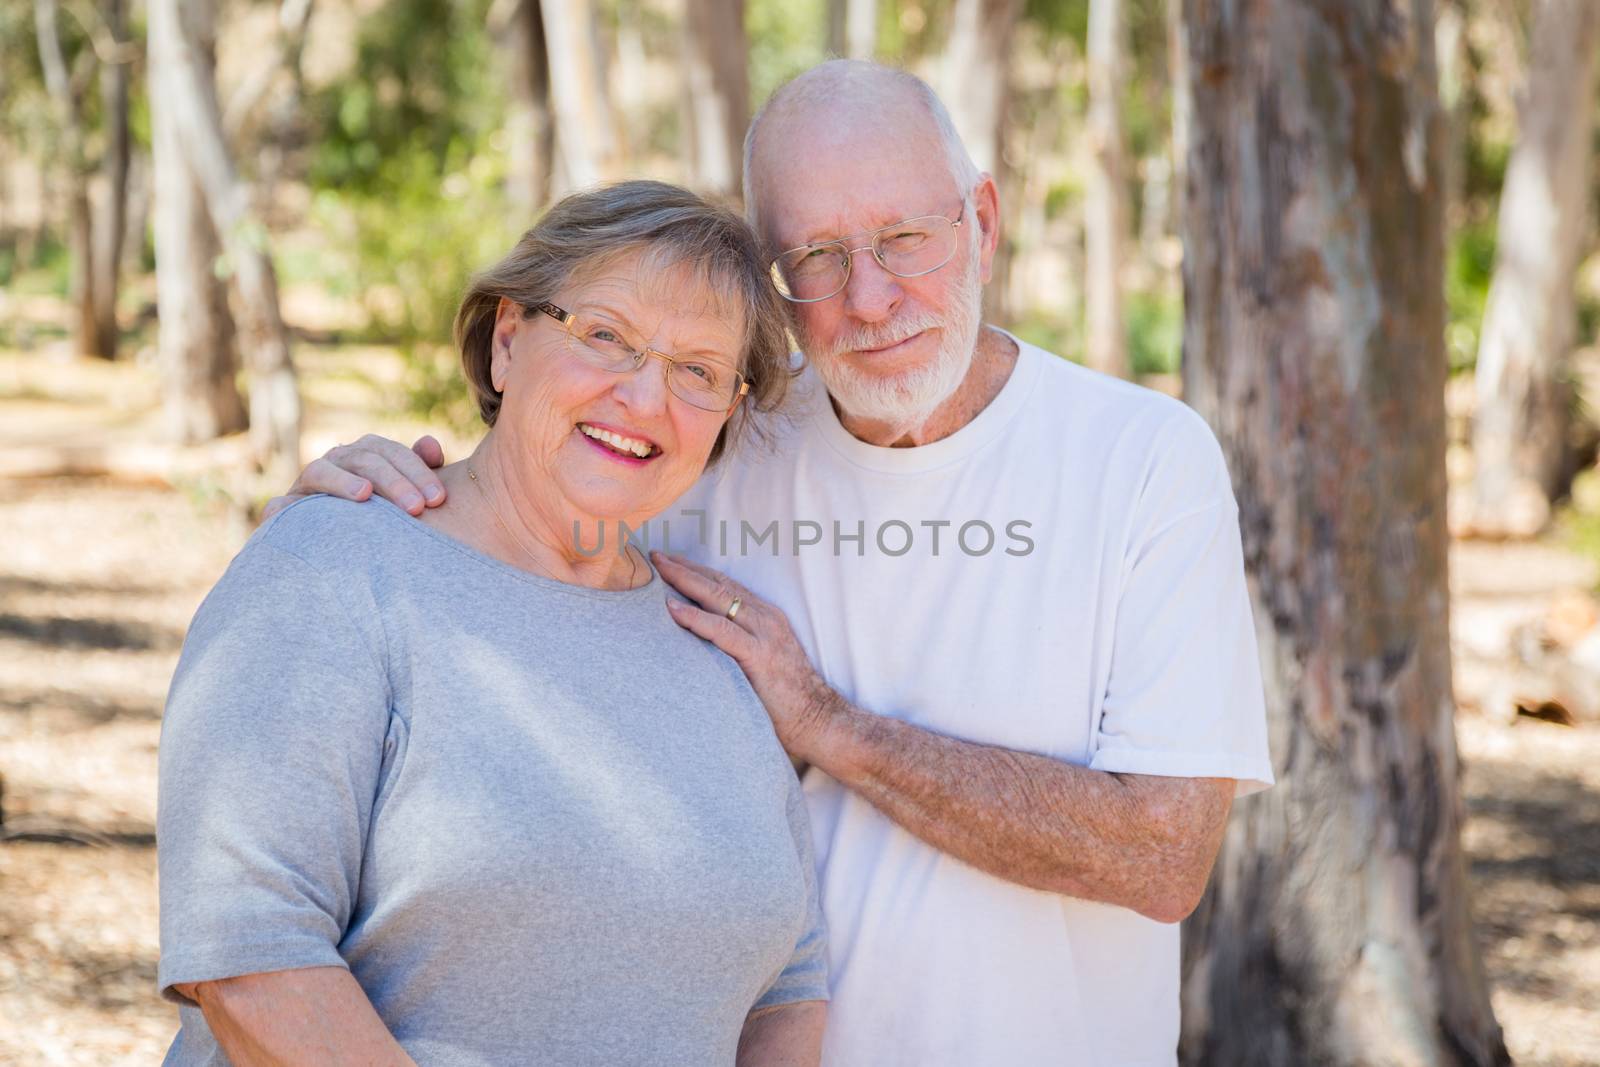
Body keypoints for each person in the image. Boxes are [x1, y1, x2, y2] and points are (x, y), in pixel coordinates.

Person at [277, 61, 1275, 1066]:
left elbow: (1160, 854)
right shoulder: (711, 436)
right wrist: (372, 507)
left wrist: (830, 726)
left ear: (982, 218)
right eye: (817, 255)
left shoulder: (1142, 457)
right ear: (776, 289)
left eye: (903, 239)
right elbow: (533, 497)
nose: (871, 297)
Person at [156, 181, 829, 1067]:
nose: (644, 394)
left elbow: (788, 988)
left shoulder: (707, 647)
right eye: (606, 336)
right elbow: (252, 959)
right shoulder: (335, 566)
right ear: (508, 340)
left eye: (698, 371)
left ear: (726, 416)